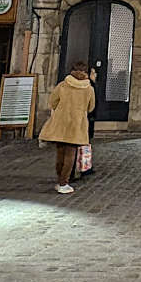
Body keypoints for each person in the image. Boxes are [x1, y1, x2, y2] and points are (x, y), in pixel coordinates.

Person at [39, 60, 95, 194]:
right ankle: (63, 182)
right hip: (76, 123)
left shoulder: (63, 85)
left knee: (60, 152)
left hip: (61, 121)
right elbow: (91, 107)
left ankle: (59, 180)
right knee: (70, 154)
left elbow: (52, 101)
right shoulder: (89, 88)